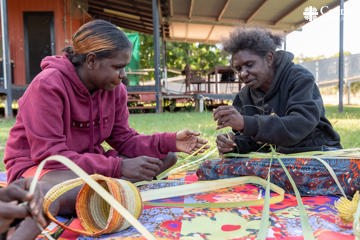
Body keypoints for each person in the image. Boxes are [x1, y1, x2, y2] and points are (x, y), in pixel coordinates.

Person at [3, 19, 208, 238]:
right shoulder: (47, 85)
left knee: (166, 157)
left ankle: (106, 192)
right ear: (91, 60)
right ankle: (109, 191)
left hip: (87, 164)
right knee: (52, 193)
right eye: (118, 67)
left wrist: (170, 141)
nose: (123, 75)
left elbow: (124, 139)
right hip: (40, 169)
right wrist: (118, 168)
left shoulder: (114, 90)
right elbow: (52, 157)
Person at [212, 27, 341, 154]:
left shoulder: (299, 78)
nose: (243, 73)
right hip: (278, 158)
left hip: (318, 151)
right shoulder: (244, 97)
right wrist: (233, 143)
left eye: (249, 65)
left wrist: (246, 123)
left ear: (269, 58)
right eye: (238, 69)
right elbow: (254, 142)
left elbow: (299, 125)